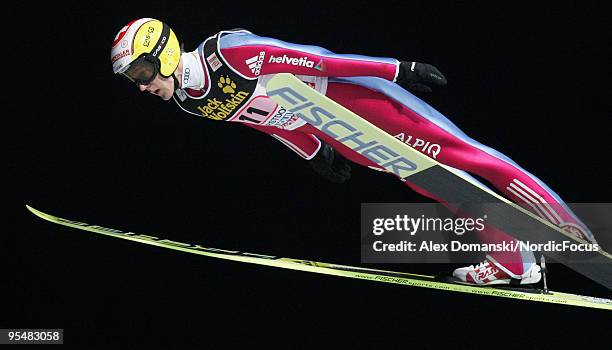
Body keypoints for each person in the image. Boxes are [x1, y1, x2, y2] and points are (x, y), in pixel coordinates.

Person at [110, 18, 596, 286]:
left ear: (165, 55)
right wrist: (314, 153)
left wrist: (398, 70)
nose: (142, 87)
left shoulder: (232, 53)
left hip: (352, 96)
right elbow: (268, 123)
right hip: (333, 128)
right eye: (134, 80)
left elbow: (320, 60)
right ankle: (514, 260)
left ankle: (573, 233)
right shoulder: (194, 105)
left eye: (140, 74)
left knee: (467, 158)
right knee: (433, 181)